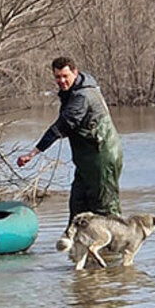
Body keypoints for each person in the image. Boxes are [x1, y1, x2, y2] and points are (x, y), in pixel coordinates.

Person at [17, 56, 123, 222]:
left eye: (65, 76)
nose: (62, 81)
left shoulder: (83, 96)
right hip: (85, 162)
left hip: (101, 157)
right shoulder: (71, 93)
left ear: (75, 72)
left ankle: (115, 247)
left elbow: (62, 126)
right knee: (78, 210)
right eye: (58, 77)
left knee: (105, 211)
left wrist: (33, 153)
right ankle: (79, 247)